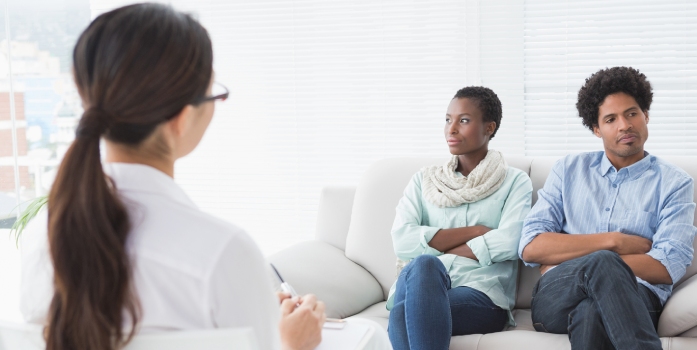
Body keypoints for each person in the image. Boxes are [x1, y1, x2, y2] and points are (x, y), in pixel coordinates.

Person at [18, 4, 325, 350]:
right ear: (180, 119)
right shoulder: (223, 254)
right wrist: (292, 345)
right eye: (213, 94)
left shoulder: (42, 236)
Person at [518, 66, 697, 349]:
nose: (625, 125)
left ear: (646, 116)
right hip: (557, 296)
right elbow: (531, 246)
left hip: (638, 297)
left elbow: (667, 266)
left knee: (591, 311)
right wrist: (613, 242)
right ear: (596, 128)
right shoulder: (568, 170)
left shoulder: (674, 182)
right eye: (611, 119)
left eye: (632, 113)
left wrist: (576, 259)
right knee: (603, 260)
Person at [387, 86, 533, 350]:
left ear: (489, 127)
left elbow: (511, 241)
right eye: (447, 120)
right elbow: (402, 241)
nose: (451, 129)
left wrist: (437, 249)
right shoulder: (424, 181)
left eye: (463, 120)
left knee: (402, 312)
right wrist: (476, 231)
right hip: (420, 283)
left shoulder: (514, 181)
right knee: (424, 266)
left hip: (482, 293)